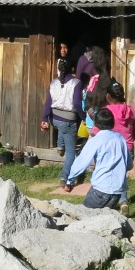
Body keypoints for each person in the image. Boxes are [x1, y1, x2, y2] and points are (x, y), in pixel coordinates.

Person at [62, 107, 132, 210]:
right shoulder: (120, 139)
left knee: (85, 217)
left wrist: (70, 180)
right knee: (105, 220)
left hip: (100, 189)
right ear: (112, 123)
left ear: (96, 124)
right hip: (117, 191)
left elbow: (81, 162)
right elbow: (129, 164)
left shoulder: (96, 140)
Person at [40, 59, 83, 188]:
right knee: (71, 152)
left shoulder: (53, 83)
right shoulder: (77, 83)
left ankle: (60, 146)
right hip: (68, 120)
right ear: (72, 69)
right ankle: (65, 177)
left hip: (54, 119)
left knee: (62, 129)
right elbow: (76, 103)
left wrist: (44, 119)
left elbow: (48, 103)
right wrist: (83, 117)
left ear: (58, 69)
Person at [102, 80, 135, 216]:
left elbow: (96, 130)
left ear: (108, 97)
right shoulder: (131, 111)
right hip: (128, 149)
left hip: (110, 148)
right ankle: (123, 201)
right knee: (121, 175)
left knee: (108, 176)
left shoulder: (106, 111)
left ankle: (109, 204)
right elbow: (134, 131)